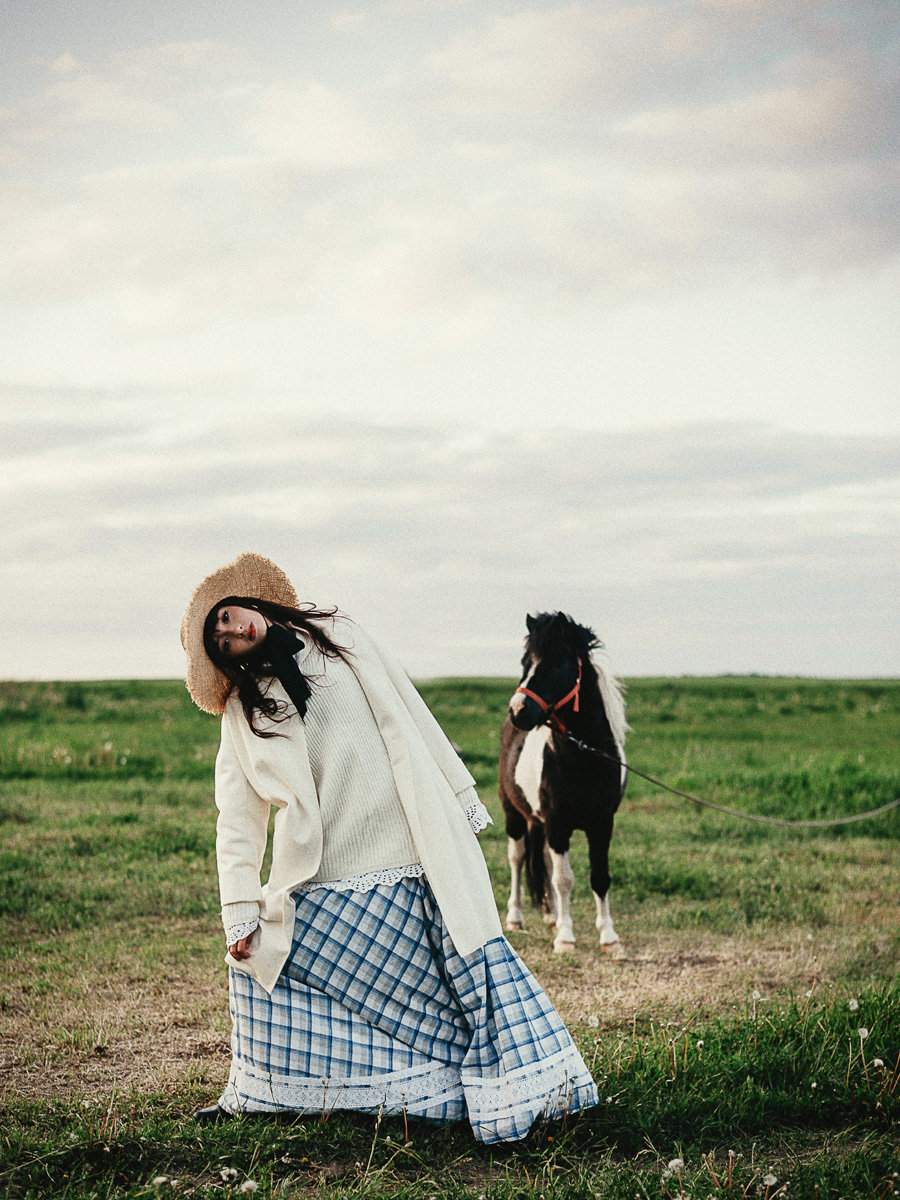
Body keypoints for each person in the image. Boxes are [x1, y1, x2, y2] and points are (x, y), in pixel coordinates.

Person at [181, 552, 598, 1144]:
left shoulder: (341, 638)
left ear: (247, 602)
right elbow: (238, 817)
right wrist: (240, 909)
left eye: (226, 617)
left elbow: (409, 711)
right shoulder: (242, 713)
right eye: (219, 641)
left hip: (407, 845)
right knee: (257, 963)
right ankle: (263, 1093)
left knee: (457, 977)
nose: (230, 631)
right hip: (325, 870)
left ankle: (483, 1091)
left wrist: (457, 792)